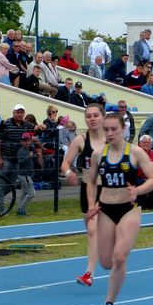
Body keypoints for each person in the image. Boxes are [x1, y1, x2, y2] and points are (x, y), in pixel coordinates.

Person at [86, 112, 153, 305]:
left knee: (119, 257)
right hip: (106, 210)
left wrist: (138, 190)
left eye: (113, 129)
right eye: (106, 130)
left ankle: (109, 302)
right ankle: (116, 268)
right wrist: (92, 205)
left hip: (129, 209)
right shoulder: (98, 154)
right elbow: (91, 181)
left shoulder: (135, 153)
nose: (109, 133)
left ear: (123, 130)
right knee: (106, 262)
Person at [60, 103, 105, 287]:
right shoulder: (80, 140)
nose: (92, 119)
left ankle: (90, 271)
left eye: (96, 115)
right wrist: (69, 173)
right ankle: (90, 271)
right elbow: (65, 163)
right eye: (89, 116)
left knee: (98, 232)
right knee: (92, 232)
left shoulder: (111, 138)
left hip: (110, 190)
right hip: (88, 189)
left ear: (103, 117)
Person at [16, 132, 36, 216]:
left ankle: (19, 210)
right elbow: (20, 162)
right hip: (24, 175)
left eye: (28, 140)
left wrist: (35, 156)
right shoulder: (20, 151)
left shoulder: (30, 149)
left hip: (28, 174)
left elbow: (31, 159)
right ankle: (21, 209)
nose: (27, 142)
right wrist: (29, 157)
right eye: (24, 141)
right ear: (21, 142)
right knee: (31, 193)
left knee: (24, 193)